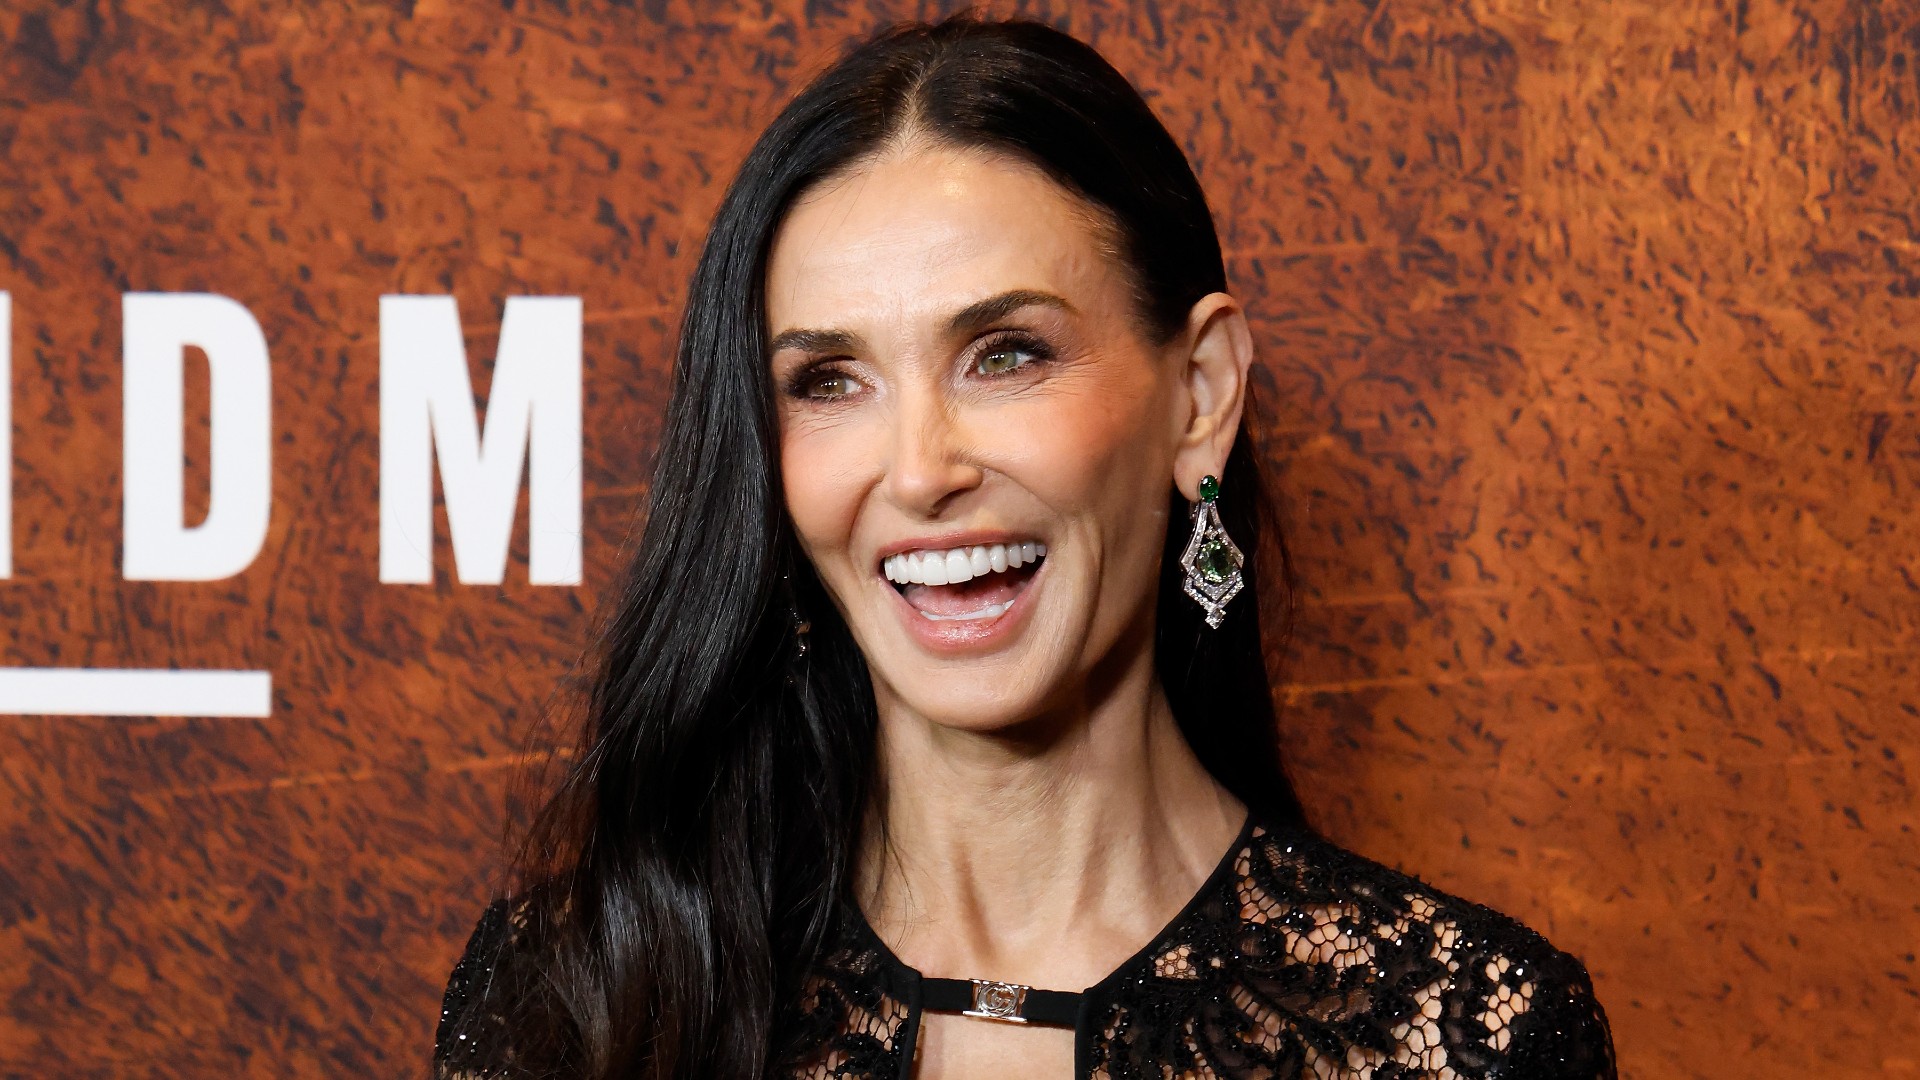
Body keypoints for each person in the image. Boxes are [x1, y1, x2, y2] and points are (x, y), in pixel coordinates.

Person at [432, 13, 1616, 1080]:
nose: (918, 470)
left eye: (1005, 354)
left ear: (1200, 395)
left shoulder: (1467, 1038)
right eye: (829, 380)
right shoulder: (573, 1002)